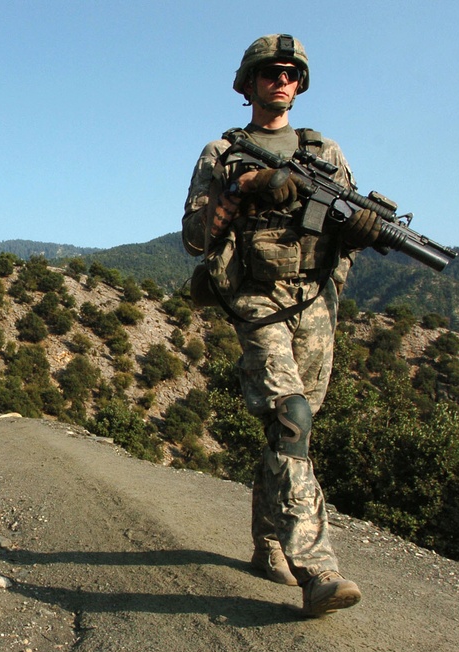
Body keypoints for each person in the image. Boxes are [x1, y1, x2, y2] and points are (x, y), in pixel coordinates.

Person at [181, 34, 379, 617]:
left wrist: (360, 231)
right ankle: (318, 568)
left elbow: (343, 227)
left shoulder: (325, 151)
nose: (282, 80)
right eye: (270, 71)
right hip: (256, 299)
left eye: (291, 72)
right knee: (291, 417)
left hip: (315, 302)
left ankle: (268, 540)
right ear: (248, 83)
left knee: (293, 429)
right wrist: (247, 187)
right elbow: (194, 237)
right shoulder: (223, 151)